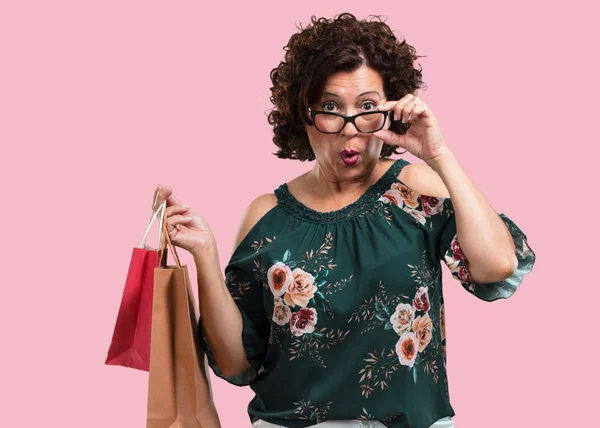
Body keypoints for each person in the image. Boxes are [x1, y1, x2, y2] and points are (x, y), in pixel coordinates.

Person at [152, 13, 536, 428]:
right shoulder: (265, 216)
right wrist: (205, 256)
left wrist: (438, 155)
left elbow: (497, 265)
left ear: (391, 112)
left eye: (368, 107)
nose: (350, 130)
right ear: (304, 113)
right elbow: (236, 362)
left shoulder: (414, 189)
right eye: (331, 108)